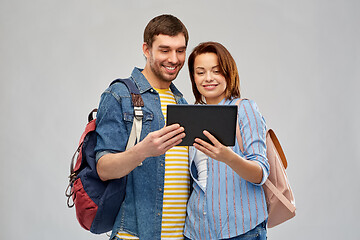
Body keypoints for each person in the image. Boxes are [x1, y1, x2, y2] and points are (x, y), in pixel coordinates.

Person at [95, 14, 190, 240]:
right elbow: (104, 169)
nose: (174, 58)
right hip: (135, 235)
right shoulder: (120, 95)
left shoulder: (182, 103)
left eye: (180, 50)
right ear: (146, 50)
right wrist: (143, 151)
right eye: (165, 50)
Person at [183, 42, 270, 240]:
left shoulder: (244, 109)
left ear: (228, 73)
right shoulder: (190, 116)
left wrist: (228, 157)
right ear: (193, 77)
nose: (208, 78)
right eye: (200, 72)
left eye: (216, 71)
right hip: (196, 232)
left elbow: (261, 173)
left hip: (241, 231)